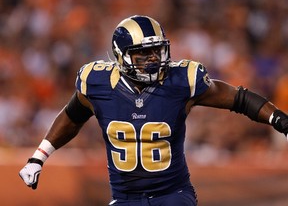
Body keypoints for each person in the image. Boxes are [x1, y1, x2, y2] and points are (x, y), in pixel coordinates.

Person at [19, 15, 288, 206]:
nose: (153, 60)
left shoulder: (180, 80)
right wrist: (38, 157)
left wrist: (278, 118)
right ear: (121, 56)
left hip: (173, 194)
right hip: (125, 198)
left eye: (156, 51)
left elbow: (237, 98)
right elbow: (71, 117)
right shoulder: (97, 83)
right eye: (143, 54)